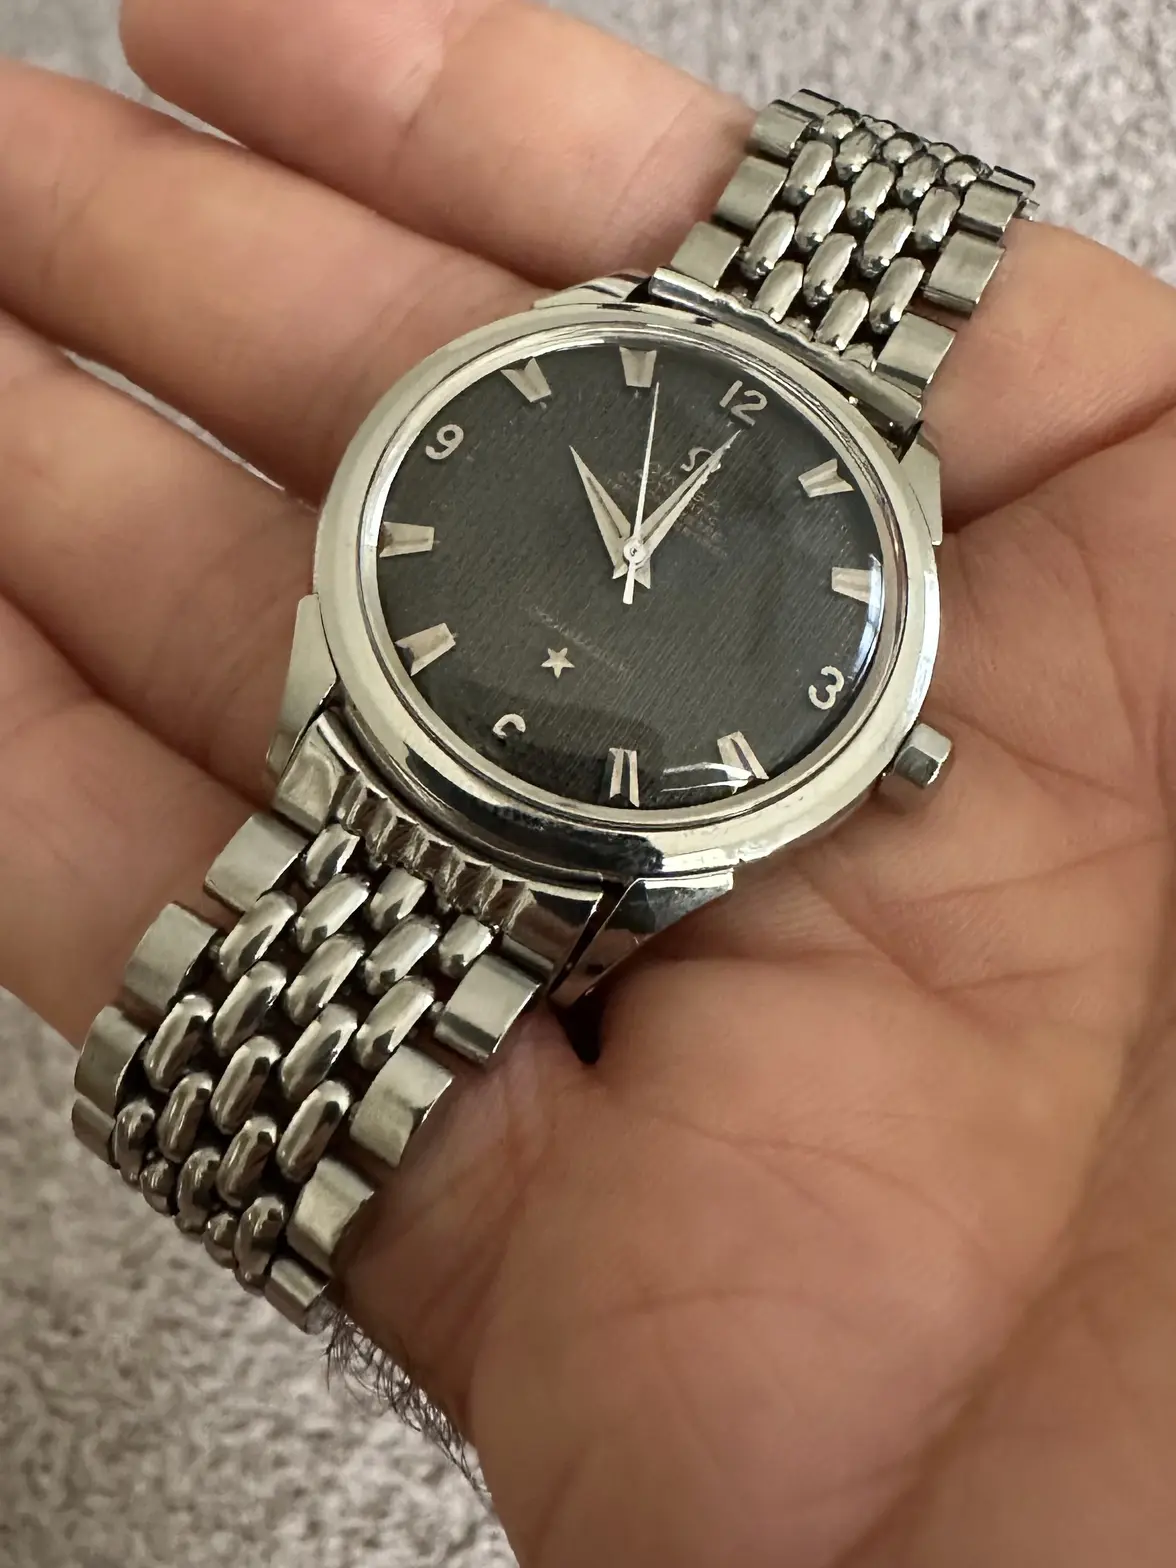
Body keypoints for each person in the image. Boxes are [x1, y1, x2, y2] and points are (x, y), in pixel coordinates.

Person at [1, 2, 1174, 1564]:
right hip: (385, 714)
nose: (631, 571)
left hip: (568, 843)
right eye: (628, 549)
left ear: (886, 731)